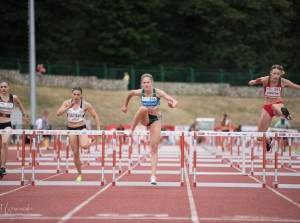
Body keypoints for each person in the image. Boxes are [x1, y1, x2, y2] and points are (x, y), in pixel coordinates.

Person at [122, 73, 178, 185]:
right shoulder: (140, 92)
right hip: (145, 118)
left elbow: (175, 101)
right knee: (143, 108)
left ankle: (153, 176)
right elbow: (130, 93)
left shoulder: (158, 92)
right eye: (144, 83)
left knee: (154, 147)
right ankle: (131, 130)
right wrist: (125, 106)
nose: (146, 84)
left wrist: (173, 104)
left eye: (148, 82)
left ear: (151, 83)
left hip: (156, 119)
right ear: (142, 84)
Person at [249, 64, 300, 151]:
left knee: (274, 106)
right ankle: (269, 141)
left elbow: (296, 86)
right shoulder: (265, 79)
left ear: (280, 74)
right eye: (274, 73)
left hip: (278, 105)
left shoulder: (283, 81)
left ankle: (285, 114)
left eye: (278, 74)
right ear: (270, 73)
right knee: (259, 137)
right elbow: (254, 81)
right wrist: (253, 82)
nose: (276, 76)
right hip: (266, 109)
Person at [56, 87, 100, 182]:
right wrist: (68, 107)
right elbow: (58, 113)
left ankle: (90, 138)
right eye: (74, 94)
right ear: (72, 94)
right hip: (71, 129)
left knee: (84, 146)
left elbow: (95, 116)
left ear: (81, 95)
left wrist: (98, 130)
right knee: (75, 153)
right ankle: (80, 174)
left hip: (81, 128)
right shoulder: (67, 103)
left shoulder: (85, 104)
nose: (76, 96)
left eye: (78, 95)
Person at [0, 80, 29, 180]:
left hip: (7, 124)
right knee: (0, 147)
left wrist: (24, 115)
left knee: (4, 143)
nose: (3, 88)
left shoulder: (13, 97)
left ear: (9, 87)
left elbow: (19, 104)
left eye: (5, 87)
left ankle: (3, 166)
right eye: (1, 87)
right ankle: (0, 167)